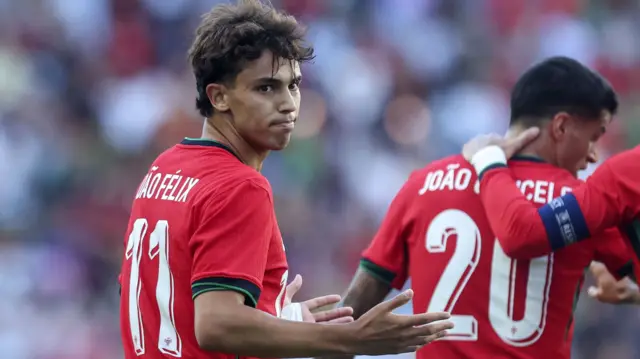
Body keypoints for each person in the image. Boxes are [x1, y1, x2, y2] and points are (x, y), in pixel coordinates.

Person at [117, 1, 454, 358]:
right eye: (266, 88)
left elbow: (158, 299)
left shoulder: (165, 169)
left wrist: (280, 318)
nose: (289, 104)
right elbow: (216, 324)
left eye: (292, 86)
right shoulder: (239, 185)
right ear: (218, 96)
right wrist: (353, 339)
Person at [324, 57, 636, 359]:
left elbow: (353, 308)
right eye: (593, 138)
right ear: (561, 127)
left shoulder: (423, 185)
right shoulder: (582, 202)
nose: (593, 155)